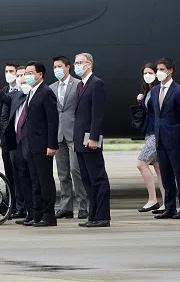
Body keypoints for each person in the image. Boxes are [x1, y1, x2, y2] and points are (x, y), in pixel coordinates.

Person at [0, 64, 30, 220]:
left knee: (27, 175)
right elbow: (2, 107)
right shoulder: (13, 94)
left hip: (28, 141)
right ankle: (18, 206)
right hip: (11, 139)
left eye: (22, 74)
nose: (19, 78)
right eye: (18, 75)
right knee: (14, 174)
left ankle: (29, 208)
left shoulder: (34, 93)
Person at [15, 62, 59, 227]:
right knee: (35, 181)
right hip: (31, 145)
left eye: (30, 72)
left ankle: (49, 216)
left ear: (40, 74)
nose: (27, 76)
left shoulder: (46, 93)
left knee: (45, 180)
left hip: (43, 146)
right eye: (26, 73)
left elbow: (52, 121)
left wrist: (52, 144)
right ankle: (37, 214)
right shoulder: (31, 93)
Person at [151, 58, 180, 220]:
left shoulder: (179, 91)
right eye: (157, 69)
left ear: (170, 70)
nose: (158, 72)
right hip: (160, 138)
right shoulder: (154, 91)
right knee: (166, 175)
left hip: (175, 138)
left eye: (162, 69)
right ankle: (169, 207)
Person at [73, 53, 111, 228]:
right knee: (87, 179)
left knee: (98, 178)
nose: (77, 65)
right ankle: (93, 215)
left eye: (80, 62)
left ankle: (102, 216)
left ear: (89, 64)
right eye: (75, 62)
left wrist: (94, 137)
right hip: (80, 140)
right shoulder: (81, 85)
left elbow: (97, 115)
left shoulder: (96, 84)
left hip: (90, 139)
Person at [50, 56, 87, 219]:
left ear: (68, 67)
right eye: (54, 67)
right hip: (58, 135)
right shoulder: (51, 88)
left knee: (75, 170)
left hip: (73, 135)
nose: (57, 69)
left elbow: (82, 111)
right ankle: (66, 206)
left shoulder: (78, 85)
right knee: (63, 173)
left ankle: (83, 205)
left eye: (59, 66)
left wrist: (80, 136)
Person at [135, 63, 163, 213]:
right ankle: (165, 201)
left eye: (150, 72)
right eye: (145, 73)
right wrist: (141, 101)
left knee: (141, 163)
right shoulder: (148, 92)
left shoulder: (159, 91)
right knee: (158, 167)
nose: (147, 75)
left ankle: (152, 199)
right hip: (149, 132)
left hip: (156, 133)